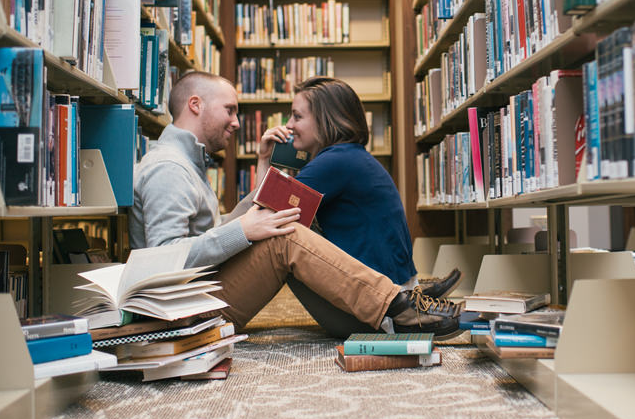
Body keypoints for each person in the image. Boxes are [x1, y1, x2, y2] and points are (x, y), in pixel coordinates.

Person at [129, 71, 461, 339]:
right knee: (284, 233)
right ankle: (398, 306)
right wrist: (243, 230)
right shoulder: (169, 169)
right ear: (196, 104)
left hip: (199, 298)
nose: (236, 122)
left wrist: (261, 173)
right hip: (182, 316)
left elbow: (228, 227)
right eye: (230, 110)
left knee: (282, 225)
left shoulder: (187, 166)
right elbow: (164, 259)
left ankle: (397, 301)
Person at [258, 77, 461, 335]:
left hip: (371, 313)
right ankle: (413, 294)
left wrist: (264, 158)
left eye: (297, 117)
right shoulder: (350, 156)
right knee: (287, 222)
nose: (288, 125)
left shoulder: (333, 162)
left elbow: (263, 216)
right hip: (389, 290)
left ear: (324, 120)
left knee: (279, 236)